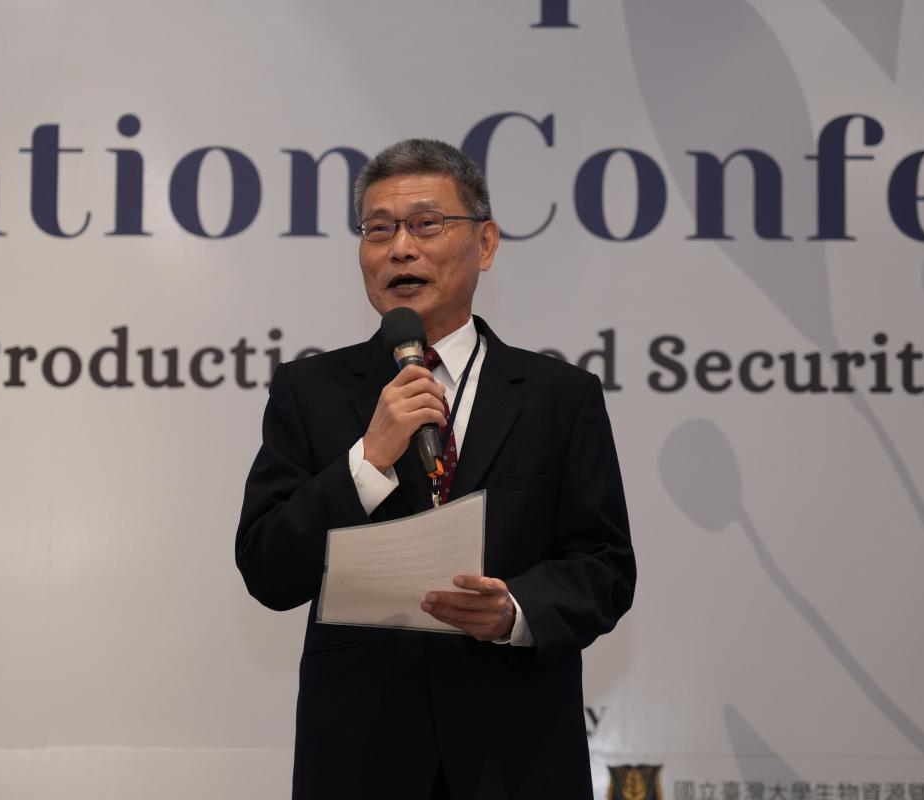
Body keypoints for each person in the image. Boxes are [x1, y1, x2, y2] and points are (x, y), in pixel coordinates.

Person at [236, 139, 635, 800]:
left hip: (518, 761)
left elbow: (605, 568)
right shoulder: (310, 392)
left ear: (485, 243)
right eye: (378, 229)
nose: (400, 248)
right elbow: (268, 568)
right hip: (362, 762)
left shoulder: (560, 398)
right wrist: (367, 461)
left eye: (426, 224)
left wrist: (513, 611)